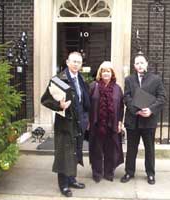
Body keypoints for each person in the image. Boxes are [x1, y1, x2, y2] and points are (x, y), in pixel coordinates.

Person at [41, 51, 90, 197]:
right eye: (73, 61)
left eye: (79, 62)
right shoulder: (59, 79)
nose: (76, 64)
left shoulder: (80, 78)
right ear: (67, 62)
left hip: (78, 122)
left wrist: (86, 119)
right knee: (64, 153)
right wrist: (59, 105)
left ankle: (71, 179)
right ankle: (63, 185)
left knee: (74, 152)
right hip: (65, 124)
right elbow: (45, 100)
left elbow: (84, 101)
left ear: (81, 65)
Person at [120, 54, 165, 185]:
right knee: (131, 148)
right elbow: (126, 97)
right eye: (137, 63)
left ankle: (150, 174)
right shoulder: (129, 79)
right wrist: (136, 109)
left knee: (149, 149)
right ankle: (129, 172)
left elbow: (162, 98)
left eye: (142, 63)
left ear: (146, 64)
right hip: (133, 120)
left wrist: (150, 110)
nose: (140, 65)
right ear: (134, 66)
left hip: (149, 121)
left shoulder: (156, 79)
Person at [89, 61, 124, 183]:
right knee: (96, 149)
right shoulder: (93, 86)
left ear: (112, 73)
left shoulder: (117, 89)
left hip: (112, 124)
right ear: (100, 73)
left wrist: (120, 122)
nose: (106, 73)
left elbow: (121, 107)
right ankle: (97, 173)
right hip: (97, 124)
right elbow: (88, 105)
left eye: (108, 71)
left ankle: (109, 172)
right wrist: (88, 121)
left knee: (111, 149)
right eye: (103, 71)